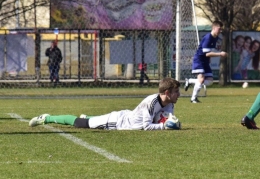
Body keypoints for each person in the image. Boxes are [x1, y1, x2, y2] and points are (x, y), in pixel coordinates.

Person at [29, 78, 181, 131]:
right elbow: (147, 127)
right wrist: (164, 126)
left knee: (88, 120)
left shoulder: (169, 103)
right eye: (175, 92)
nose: (179, 94)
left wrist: (170, 123)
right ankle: (46, 118)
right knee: (80, 123)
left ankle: (88, 116)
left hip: (126, 116)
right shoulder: (151, 102)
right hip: (117, 123)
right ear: (166, 92)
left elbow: (163, 120)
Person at [184, 20, 228, 103]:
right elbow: (207, 53)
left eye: (221, 29)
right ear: (214, 28)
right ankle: (193, 99)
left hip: (205, 61)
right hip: (199, 60)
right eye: (219, 29)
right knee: (201, 79)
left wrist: (209, 59)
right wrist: (220, 54)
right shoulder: (208, 37)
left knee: (210, 81)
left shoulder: (216, 38)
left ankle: (189, 81)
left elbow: (209, 52)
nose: (220, 31)